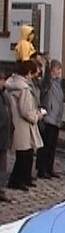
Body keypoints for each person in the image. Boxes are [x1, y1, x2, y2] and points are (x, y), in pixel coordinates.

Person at [5, 61, 43, 191]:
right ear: (28, 73)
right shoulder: (24, 88)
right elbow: (26, 110)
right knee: (24, 155)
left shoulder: (12, 82)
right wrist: (37, 116)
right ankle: (17, 180)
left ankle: (24, 178)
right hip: (24, 125)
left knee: (25, 153)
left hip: (16, 122)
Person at [35, 60, 64, 179]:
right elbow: (44, 86)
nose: (60, 71)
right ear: (52, 70)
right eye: (58, 69)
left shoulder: (58, 83)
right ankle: (42, 169)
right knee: (45, 145)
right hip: (48, 117)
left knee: (52, 146)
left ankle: (49, 168)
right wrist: (47, 65)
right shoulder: (47, 82)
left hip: (56, 118)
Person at [0, 72, 12, 202]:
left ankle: (1, 189)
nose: (3, 82)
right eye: (2, 80)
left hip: (3, 136)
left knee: (3, 165)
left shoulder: (4, 95)